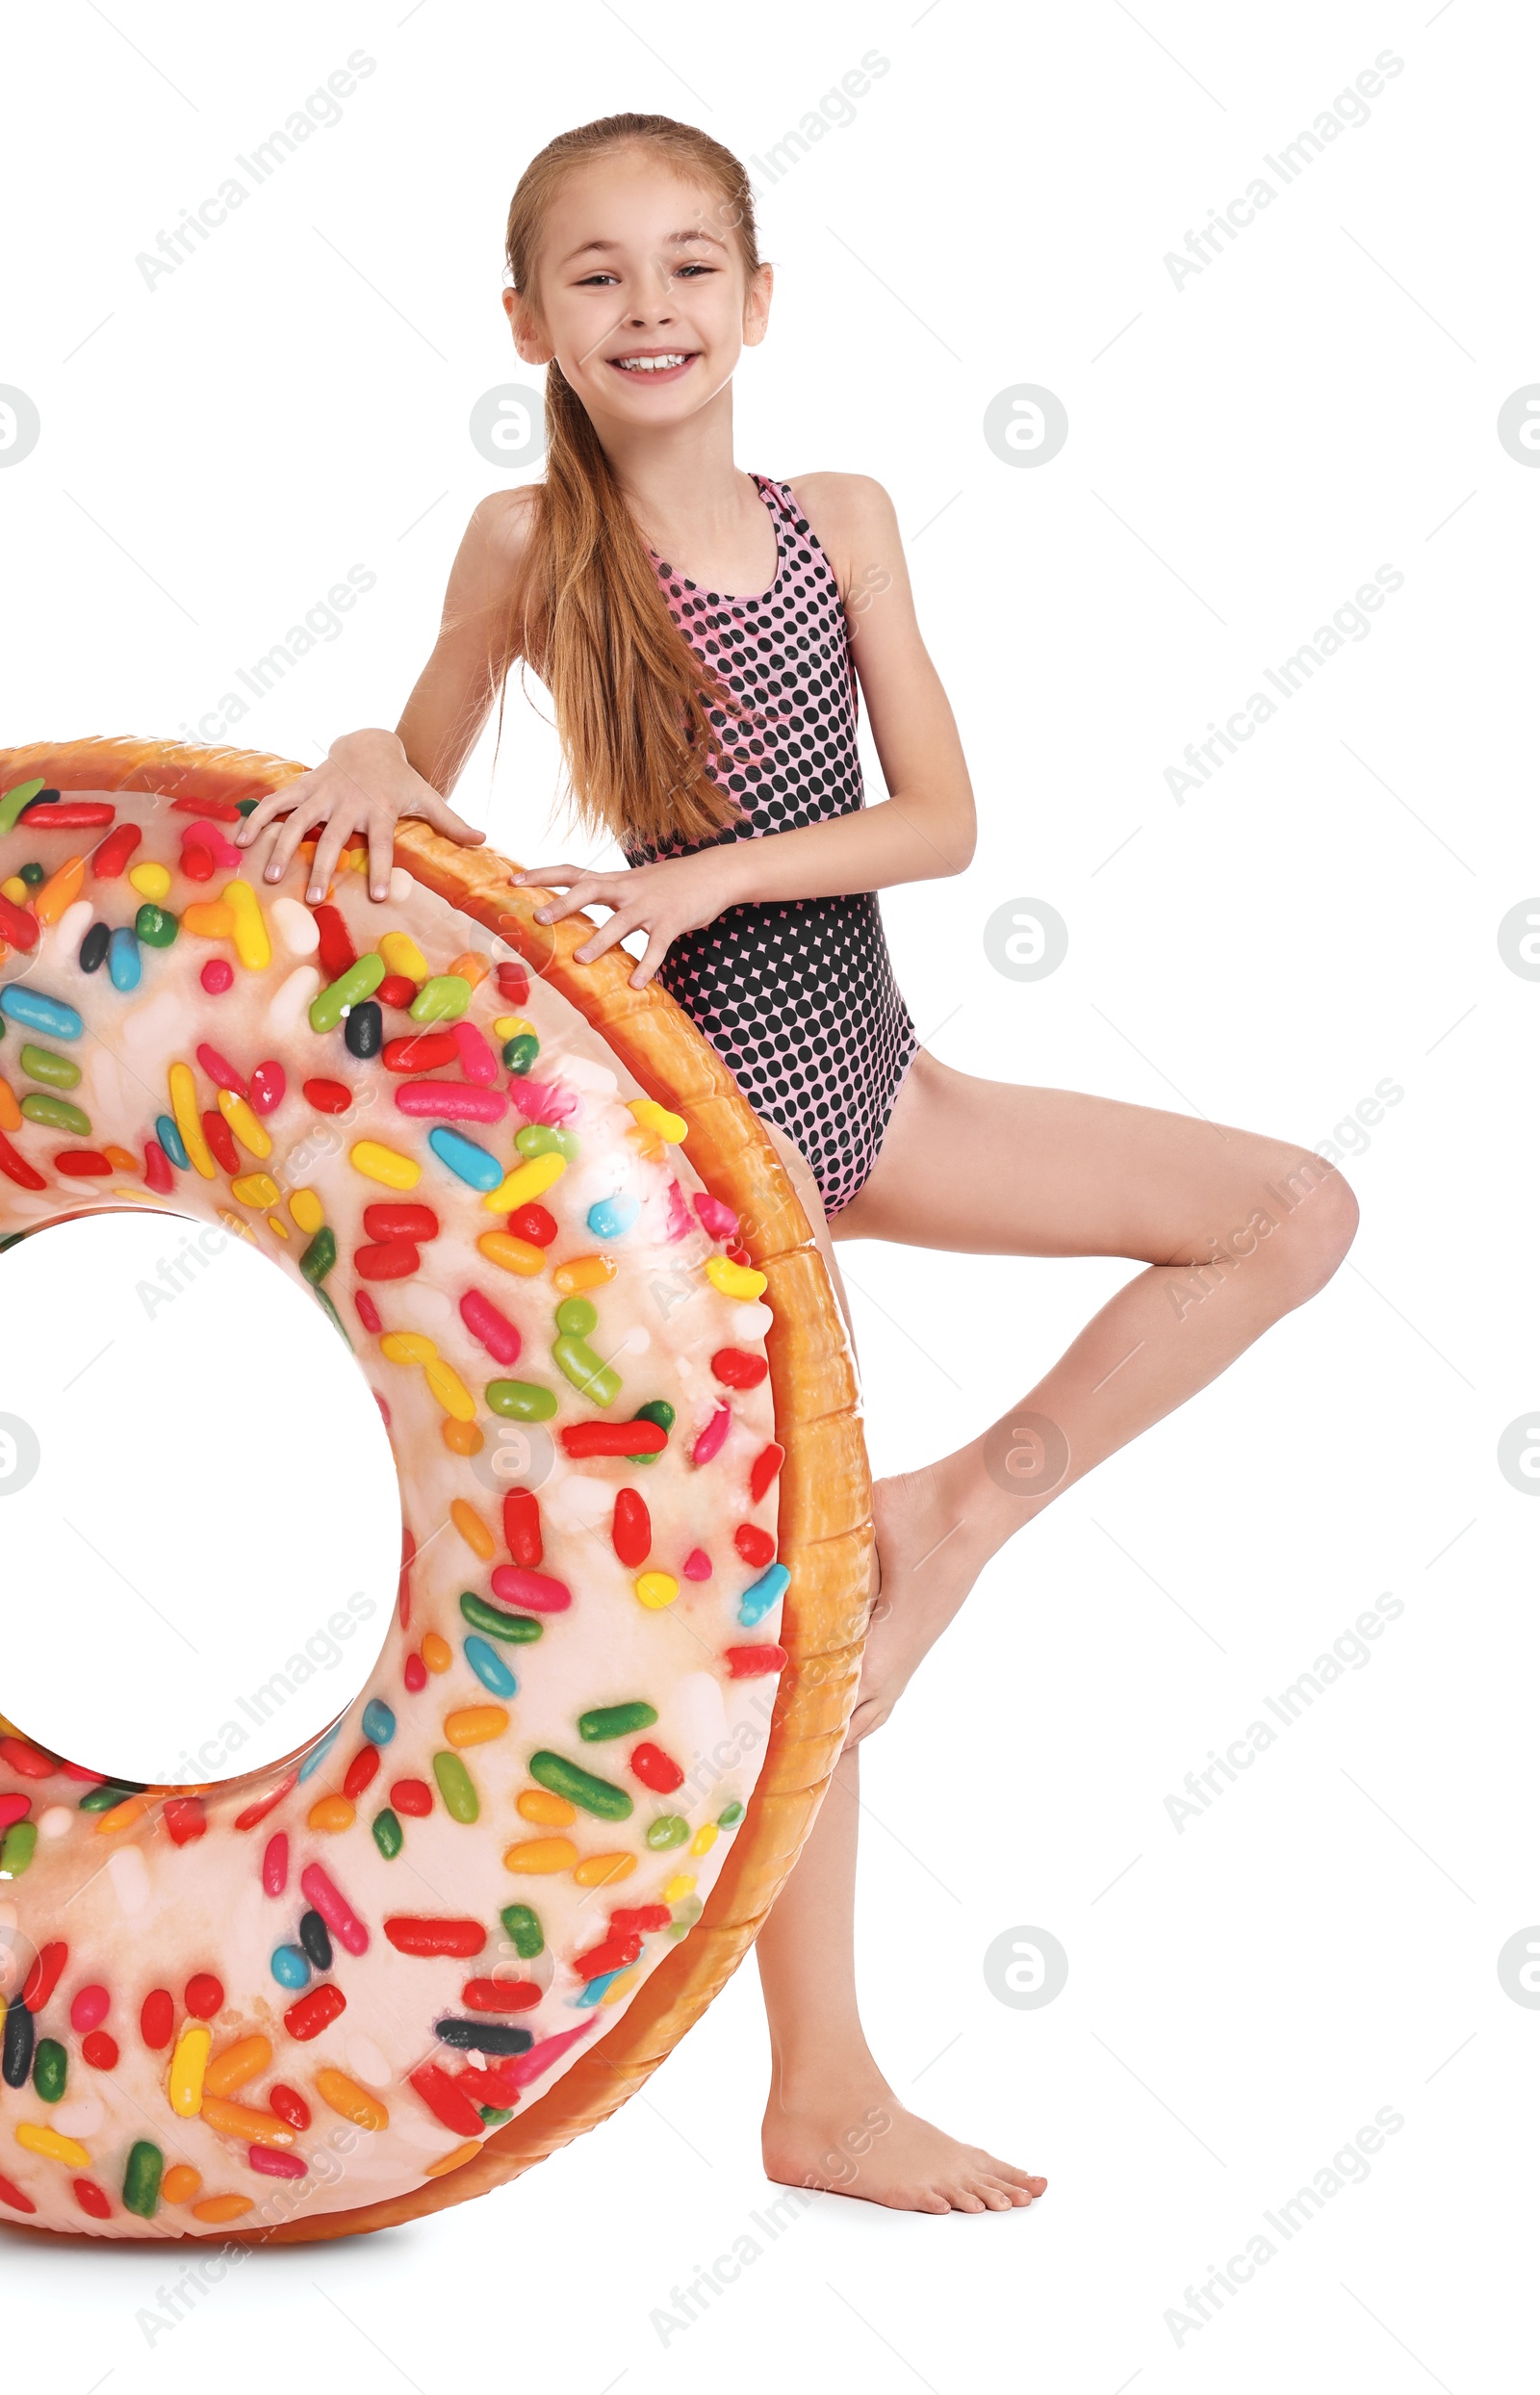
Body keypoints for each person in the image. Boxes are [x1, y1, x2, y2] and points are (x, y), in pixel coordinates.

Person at [236, 112, 1358, 2215]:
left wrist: (698, 883)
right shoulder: (520, 543)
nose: (645, 307)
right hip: (706, 1142)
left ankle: (964, 1509)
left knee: (1286, 1211)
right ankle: (822, 2090)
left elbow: (934, 818)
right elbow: (421, 757)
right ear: (524, 321)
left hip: (876, 1073)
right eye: (595, 276)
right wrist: (369, 761)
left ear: (757, 302)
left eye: (685, 267)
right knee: (794, 1608)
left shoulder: (834, 513)